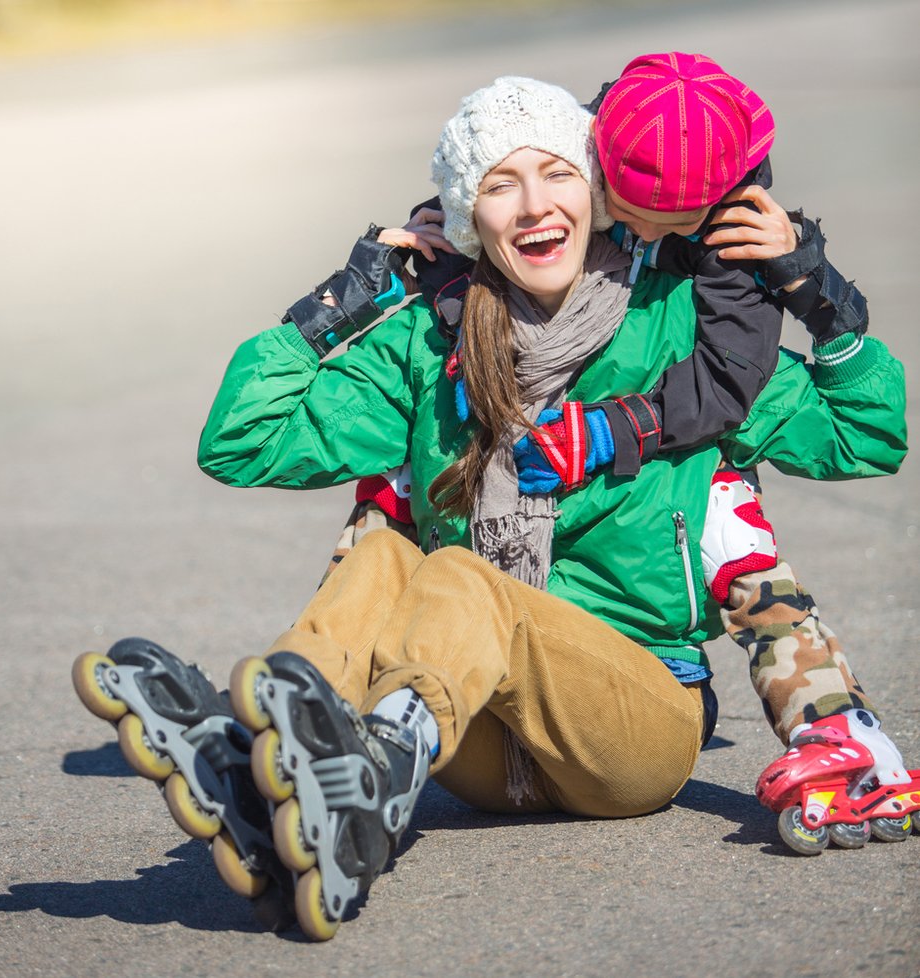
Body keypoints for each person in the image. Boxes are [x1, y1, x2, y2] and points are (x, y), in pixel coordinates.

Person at [72, 76, 916, 942]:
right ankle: (277, 761)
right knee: (384, 552)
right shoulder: (427, 345)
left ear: (596, 191)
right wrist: (336, 306)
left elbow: (866, 433)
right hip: (475, 738)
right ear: (466, 213)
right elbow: (241, 441)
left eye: (555, 173)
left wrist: (818, 293)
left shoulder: (684, 340)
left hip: (631, 727)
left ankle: (363, 764)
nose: (532, 205)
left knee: (462, 579)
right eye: (498, 184)